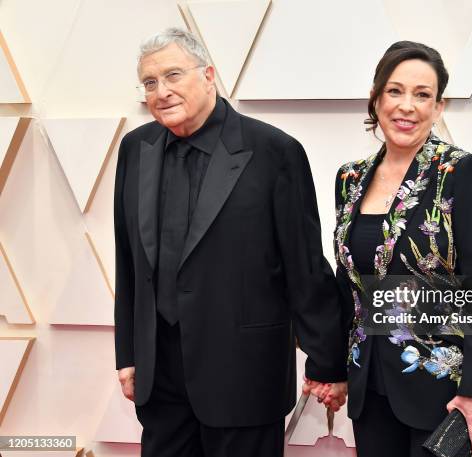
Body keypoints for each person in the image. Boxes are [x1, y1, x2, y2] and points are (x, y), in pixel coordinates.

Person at [113, 27, 347, 457]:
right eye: (150, 82)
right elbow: (128, 263)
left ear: (208, 75)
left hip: (244, 376)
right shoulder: (135, 149)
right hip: (159, 379)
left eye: (172, 75)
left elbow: (304, 266)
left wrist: (327, 361)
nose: (161, 91)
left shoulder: (274, 151)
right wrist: (127, 354)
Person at [328, 41, 472, 456]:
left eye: (422, 94)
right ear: (376, 99)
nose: (406, 106)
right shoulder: (350, 179)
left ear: (439, 107)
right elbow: (348, 282)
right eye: (395, 91)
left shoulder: (463, 172)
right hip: (368, 385)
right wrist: (334, 366)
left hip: (442, 391)